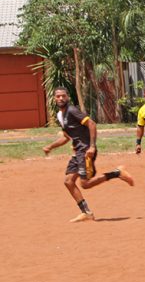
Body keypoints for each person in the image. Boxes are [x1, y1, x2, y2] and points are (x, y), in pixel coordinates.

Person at [42, 87, 134, 222]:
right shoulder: (60, 115)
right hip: (77, 152)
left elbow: (92, 124)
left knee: (85, 184)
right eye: (58, 96)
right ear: (54, 99)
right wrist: (51, 146)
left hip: (85, 151)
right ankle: (86, 212)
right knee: (68, 181)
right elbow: (67, 137)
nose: (61, 98)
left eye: (63, 96)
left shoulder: (72, 111)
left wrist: (92, 146)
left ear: (67, 97)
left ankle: (117, 173)